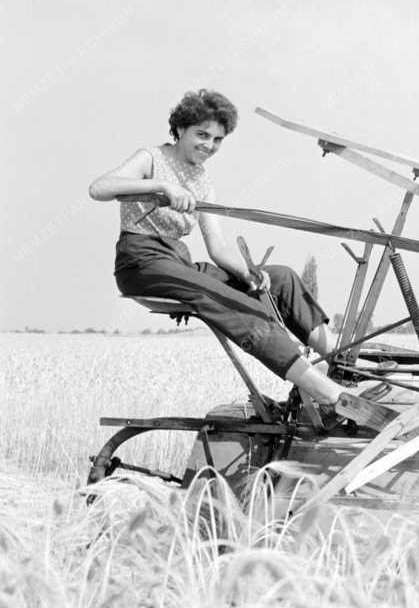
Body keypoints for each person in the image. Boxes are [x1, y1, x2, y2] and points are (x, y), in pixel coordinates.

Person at [88, 89, 348, 412]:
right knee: (224, 298)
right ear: (180, 129)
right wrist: (161, 186)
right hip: (141, 263)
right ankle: (326, 390)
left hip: (178, 262)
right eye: (202, 134)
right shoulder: (151, 158)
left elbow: (219, 247)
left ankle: (344, 363)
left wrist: (248, 275)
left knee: (279, 278)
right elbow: (99, 188)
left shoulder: (202, 181)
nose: (209, 145)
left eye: (217, 139)